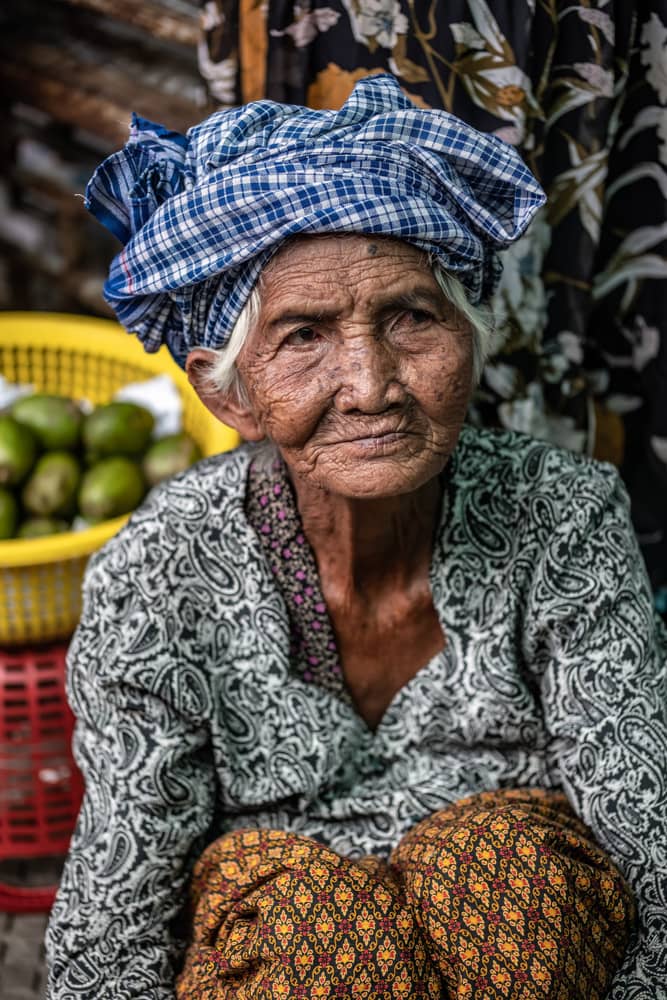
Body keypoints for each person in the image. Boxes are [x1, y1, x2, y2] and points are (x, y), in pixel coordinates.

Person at [45, 76, 666, 999]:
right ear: (229, 394)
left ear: (470, 338)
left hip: (528, 947)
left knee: (508, 875)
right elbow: (112, 919)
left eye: (411, 318)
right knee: (308, 931)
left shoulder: (563, 516)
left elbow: (647, 843)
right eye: (302, 335)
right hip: (282, 947)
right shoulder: (159, 570)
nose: (370, 383)